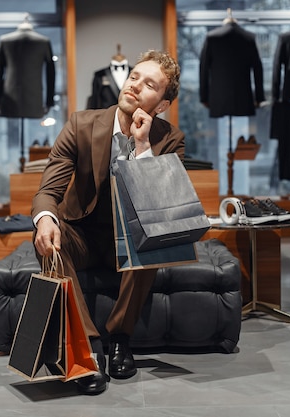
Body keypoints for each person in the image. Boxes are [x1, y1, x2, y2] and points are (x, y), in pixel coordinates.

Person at [31, 49, 183, 395]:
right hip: (83, 234)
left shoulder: (171, 140)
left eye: (149, 85)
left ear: (161, 104)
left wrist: (143, 147)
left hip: (130, 240)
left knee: (156, 237)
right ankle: (86, 350)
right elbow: (47, 190)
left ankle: (120, 339)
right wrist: (44, 220)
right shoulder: (81, 124)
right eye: (134, 77)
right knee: (46, 233)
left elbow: (161, 208)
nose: (135, 86)